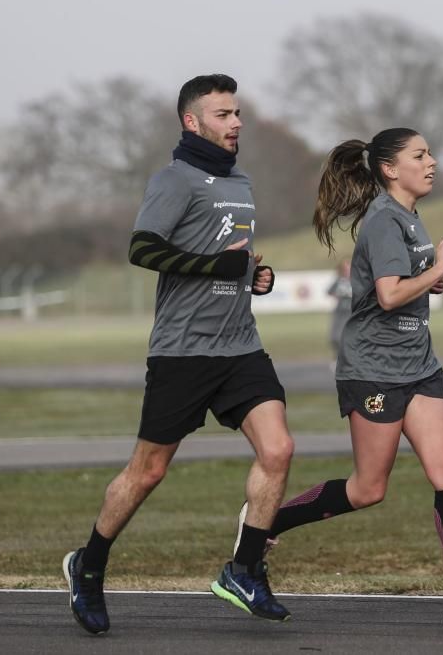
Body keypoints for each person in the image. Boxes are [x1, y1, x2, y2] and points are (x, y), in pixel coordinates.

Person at [232, 128, 443, 631]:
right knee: (368, 490)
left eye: (430, 152)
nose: (432, 161)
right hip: (374, 372)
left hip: (420, 366)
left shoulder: (409, 217)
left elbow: (402, 285)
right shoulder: (384, 220)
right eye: (419, 155)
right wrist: (439, 268)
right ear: (390, 168)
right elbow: (387, 295)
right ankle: (265, 524)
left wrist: (431, 275)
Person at [62, 74, 295, 636]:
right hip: (183, 353)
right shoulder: (175, 180)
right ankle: (89, 566)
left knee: (279, 448)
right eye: (222, 114)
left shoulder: (241, 182)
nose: (235, 122)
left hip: (240, 345)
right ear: (192, 122)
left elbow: (232, 258)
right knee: (147, 472)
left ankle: (244, 569)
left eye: (236, 113)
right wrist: (222, 267)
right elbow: (142, 248)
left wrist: (253, 277)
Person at [327, 259, 353, 364]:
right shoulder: (339, 280)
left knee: (348, 337)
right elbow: (329, 291)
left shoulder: (357, 280)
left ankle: (348, 359)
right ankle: (337, 357)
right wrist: (338, 296)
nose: (348, 269)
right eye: (346, 267)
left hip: (351, 312)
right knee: (335, 337)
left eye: (349, 267)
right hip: (339, 311)